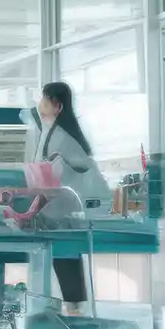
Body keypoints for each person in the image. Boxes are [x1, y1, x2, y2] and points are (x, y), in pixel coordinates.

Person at [23, 82, 111, 312]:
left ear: (58, 106)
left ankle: (71, 308)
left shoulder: (61, 139)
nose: (40, 105)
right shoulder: (53, 133)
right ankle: (72, 307)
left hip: (73, 208)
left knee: (62, 251)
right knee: (64, 253)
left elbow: (51, 180)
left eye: (45, 101)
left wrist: (31, 207)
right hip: (69, 208)